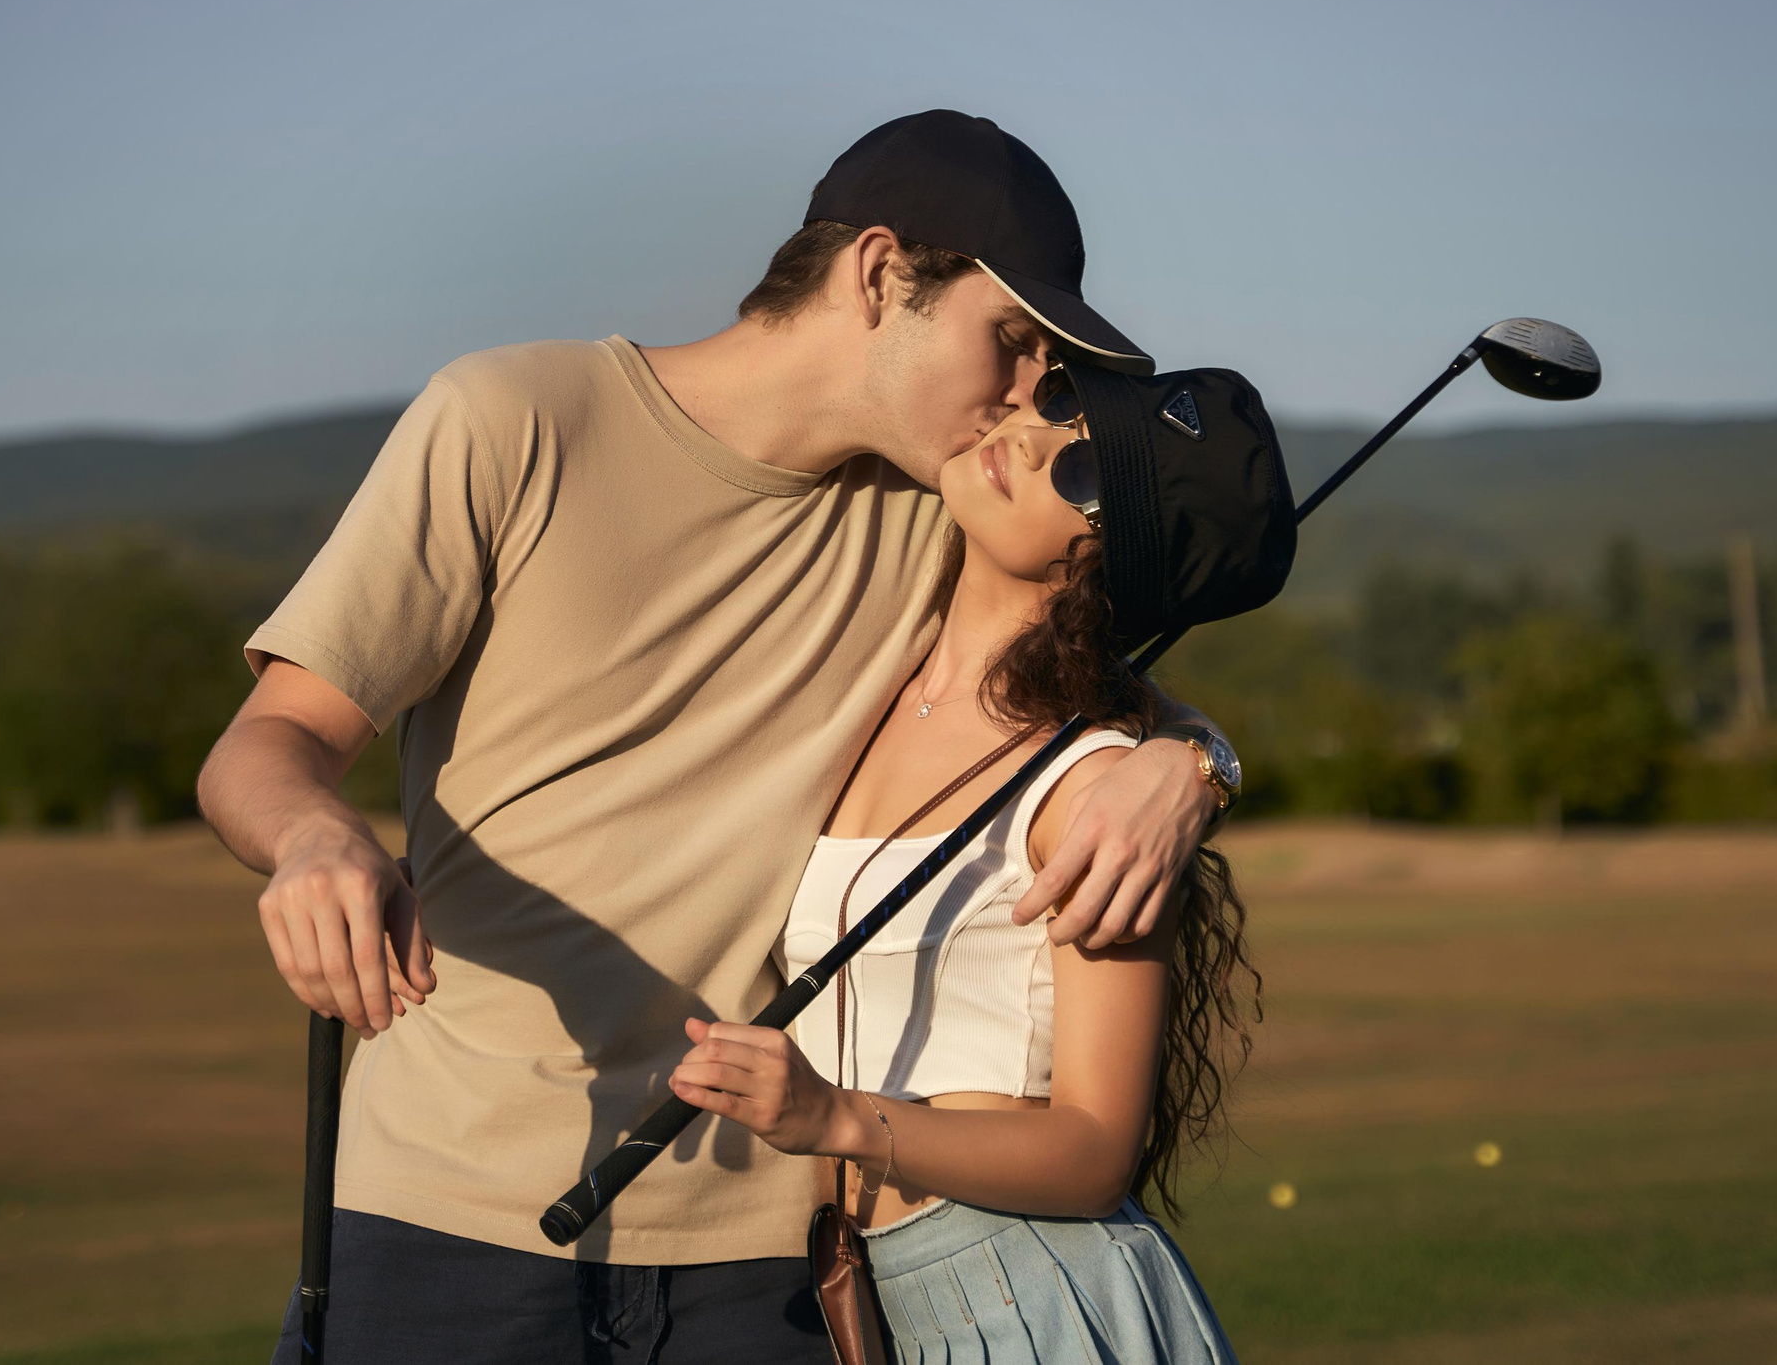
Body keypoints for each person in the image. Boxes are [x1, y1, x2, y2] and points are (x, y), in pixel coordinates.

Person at [197, 111, 1251, 1363]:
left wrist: (1190, 760)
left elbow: (1067, 663)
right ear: (878, 274)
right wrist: (315, 838)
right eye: (1010, 339)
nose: (1028, 396)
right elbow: (266, 744)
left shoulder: (945, 505)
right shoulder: (512, 418)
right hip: (443, 1217)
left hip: (762, 1267)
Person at [666, 352, 1295, 1363]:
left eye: (1083, 475)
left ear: (1105, 571)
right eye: (1059, 405)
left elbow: (1095, 1150)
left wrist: (835, 1117)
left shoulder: (1095, 791)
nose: (1028, 440)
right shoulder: (869, 682)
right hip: (872, 1302)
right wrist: (1196, 752)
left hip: (1030, 1299)